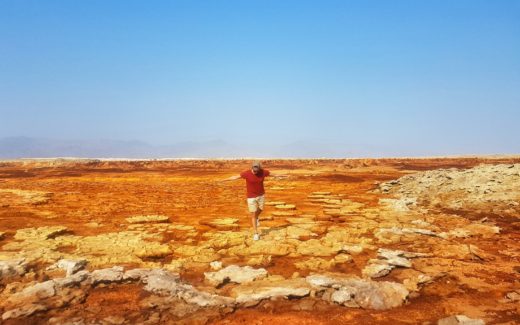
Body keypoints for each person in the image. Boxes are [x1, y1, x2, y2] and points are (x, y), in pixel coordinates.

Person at [222, 160, 287, 240]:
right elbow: (235, 177)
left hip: (261, 195)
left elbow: (273, 174)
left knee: (261, 209)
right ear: (252, 168)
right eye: (254, 170)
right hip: (251, 197)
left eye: (257, 170)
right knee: (253, 214)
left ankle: (256, 217)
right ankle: (256, 233)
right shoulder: (246, 173)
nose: (255, 172)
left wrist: (284, 175)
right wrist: (224, 180)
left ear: (259, 168)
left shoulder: (263, 172)